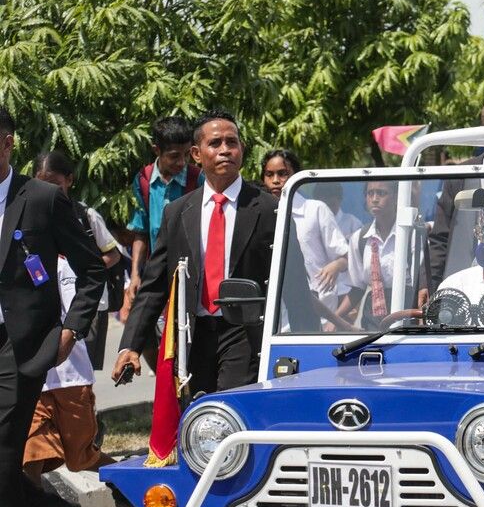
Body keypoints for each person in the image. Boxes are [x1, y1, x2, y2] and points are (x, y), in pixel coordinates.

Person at [0, 107, 106, 507]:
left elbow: (92, 269)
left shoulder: (41, 199)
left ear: (7, 144)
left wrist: (71, 328)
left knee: (3, 456)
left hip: (17, 350)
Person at [113, 110, 277, 395]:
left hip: (245, 333)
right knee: (198, 414)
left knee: (230, 407)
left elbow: (292, 281)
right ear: (196, 154)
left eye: (232, 142)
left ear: (242, 149)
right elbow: (154, 286)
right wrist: (131, 346)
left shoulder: (268, 209)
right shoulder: (177, 214)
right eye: (215, 143)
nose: (225, 150)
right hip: (193, 334)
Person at [19, 254, 132, 507]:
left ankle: (124, 480)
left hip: (69, 374)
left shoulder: (61, 266)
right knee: (32, 453)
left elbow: (75, 317)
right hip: (30, 377)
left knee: (80, 456)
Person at [123, 115, 203, 365]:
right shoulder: (144, 180)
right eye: (173, 156)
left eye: (185, 155)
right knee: (142, 330)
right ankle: (163, 377)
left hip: (189, 269)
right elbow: (140, 231)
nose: (181, 162)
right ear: (157, 150)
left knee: (185, 333)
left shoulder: (197, 179)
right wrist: (136, 274)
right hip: (156, 268)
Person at [33, 151, 122, 371]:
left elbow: (113, 255)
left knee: (85, 368)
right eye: (41, 184)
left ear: (70, 180)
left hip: (86, 304)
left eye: (55, 184)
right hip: (49, 304)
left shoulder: (86, 215)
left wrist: (84, 268)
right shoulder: (31, 217)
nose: (49, 192)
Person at [428, 96, 484, 291]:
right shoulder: (461, 174)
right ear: (483, 130)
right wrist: (427, 283)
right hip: (467, 282)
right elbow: (440, 237)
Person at [260, 149, 349, 315]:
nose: (276, 181)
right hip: (275, 309)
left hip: (319, 306)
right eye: (269, 174)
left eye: (283, 173)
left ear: (297, 176)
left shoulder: (315, 210)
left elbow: (345, 257)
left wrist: (335, 266)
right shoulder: (260, 214)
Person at [346, 180, 399, 328]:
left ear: (395, 197)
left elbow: (421, 286)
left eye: (381, 193)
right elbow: (358, 288)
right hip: (373, 317)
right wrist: (335, 318)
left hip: (405, 312)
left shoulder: (410, 235)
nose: (374, 199)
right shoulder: (360, 238)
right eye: (370, 193)